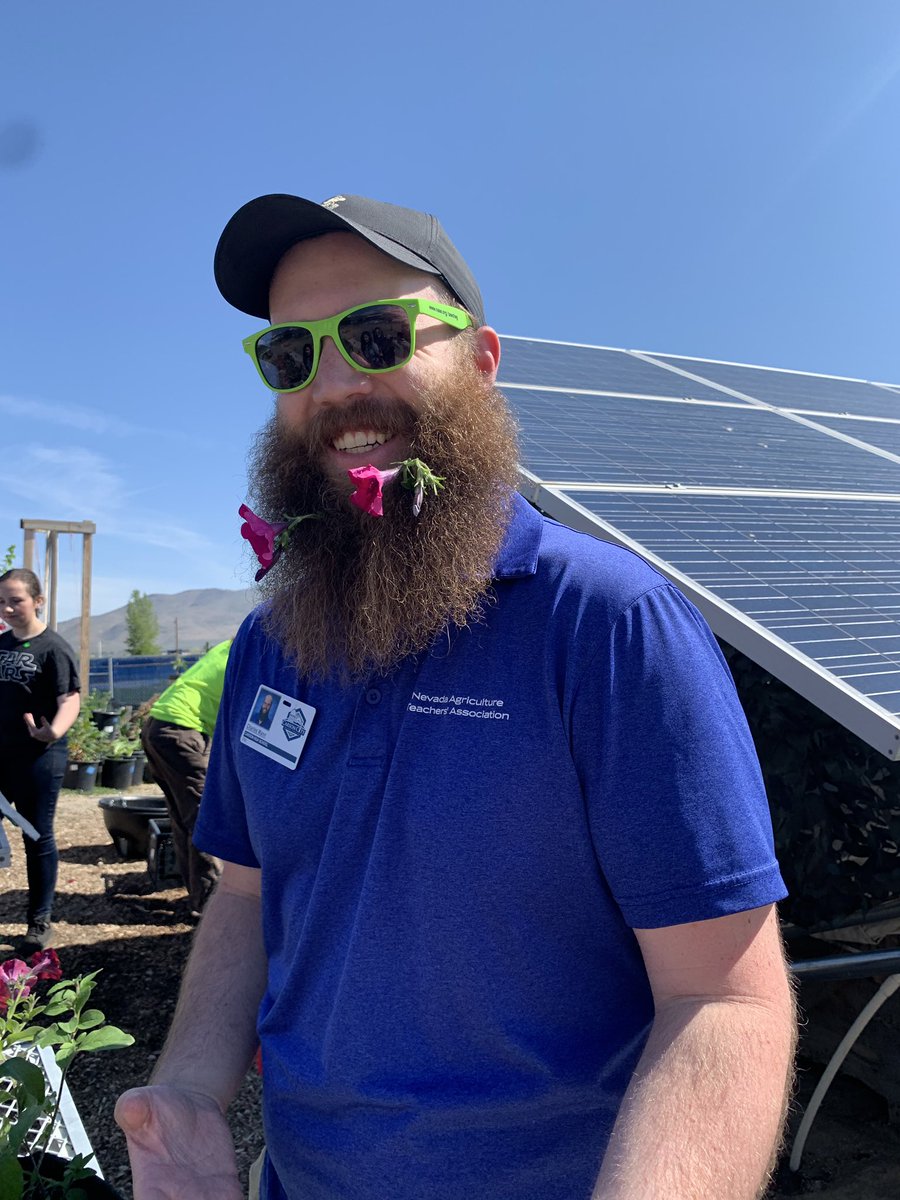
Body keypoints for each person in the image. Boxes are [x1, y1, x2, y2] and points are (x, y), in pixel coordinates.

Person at [116, 193, 796, 1200]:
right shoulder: (271, 643)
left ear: (481, 360)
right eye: (290, 357)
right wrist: (186, 1091)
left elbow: (722, 1000)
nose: (335, 383)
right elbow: (249, 899)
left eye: (378, 335)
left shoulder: (608, 625)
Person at [0, 567, 80, 952]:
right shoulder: (1, 645)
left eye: (15, 600)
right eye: (1, 602)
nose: (8, 608)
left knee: (36, 835)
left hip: (39, 756)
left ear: (37, 601)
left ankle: (39, 921)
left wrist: (54, 731)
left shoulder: (54, 648)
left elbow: (70, 699)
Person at [140, 639, 230, 915]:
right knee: (207, 819)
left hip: (158, 727)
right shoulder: (250, 656)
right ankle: (209, 905)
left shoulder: (228, 647)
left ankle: (197, 896)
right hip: (180, 730)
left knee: (184, 818)